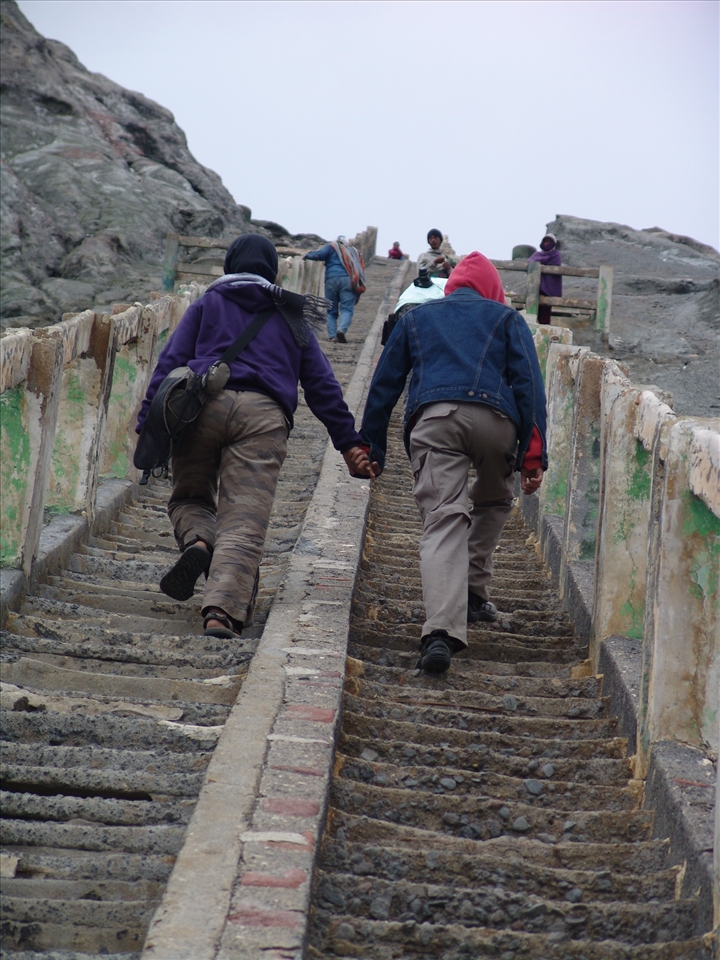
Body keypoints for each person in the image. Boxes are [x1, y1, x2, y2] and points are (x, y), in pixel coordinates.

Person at [136, 234, 374, 639]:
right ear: (273, 270)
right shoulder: (290, 312)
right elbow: (321, 384)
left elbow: (169, 365)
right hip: (263, 418)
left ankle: (198, 541)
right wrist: (349, 442)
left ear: (230, 265)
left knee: (190, 497)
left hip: (201, 408)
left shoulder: (207, 303)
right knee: (243, 520)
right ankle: (220, 612)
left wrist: (146, 424)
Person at [360, 251, 547, 674]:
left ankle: (441, 631)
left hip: (436, 421)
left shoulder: (416, 318)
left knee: (445, 517)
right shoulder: (507, 319)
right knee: (495, 499)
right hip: (498, 424)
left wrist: (373, 449)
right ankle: (474, 590)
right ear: (493, 290)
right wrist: (533, 456)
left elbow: (383, 386)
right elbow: (530, 389)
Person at [303, 236, 364, 343]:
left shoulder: (332, 247)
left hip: (331, 280)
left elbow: (319, 255)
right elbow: (360, 269)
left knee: (331, 311)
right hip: (348, 281)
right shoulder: (354, 252)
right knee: (347, 309)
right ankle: (341, 330)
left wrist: (307, 255)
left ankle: (333, 336)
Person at [529, 233, 562, 324]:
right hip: (538, 287)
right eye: (546, 241)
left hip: (550, 287)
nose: (547, 243)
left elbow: (555, 265)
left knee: (546, 310)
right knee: (536, 309)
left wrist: (541, 264)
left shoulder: (556, 255)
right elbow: (530, 262)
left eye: (550, 242)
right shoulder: (538, 254)